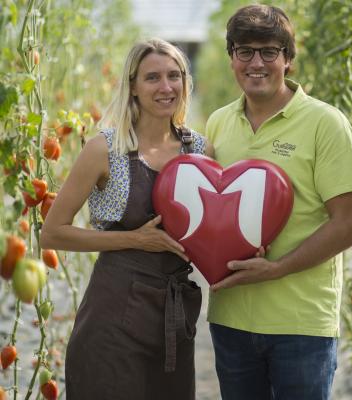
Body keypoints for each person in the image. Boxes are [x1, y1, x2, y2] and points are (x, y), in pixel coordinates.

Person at [205, 5, 352, 400]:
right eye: (244, 51)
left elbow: (349, 224)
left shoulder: (325, 124)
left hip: (301, 325)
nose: (256, 62)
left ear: (288, 60)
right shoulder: (218, 124)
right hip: (231, 320)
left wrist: (276, 269)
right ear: (231, 59)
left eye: (269, 52)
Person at [41, 38, 213, 400]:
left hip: (173, 319)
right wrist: (135, 239)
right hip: (112, 319)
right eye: (152, 78)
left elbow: (213, 227)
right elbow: (53, 233)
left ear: (185, 80)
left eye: (174, 76)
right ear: (132, 86)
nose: (166, 87)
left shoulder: (198, 149)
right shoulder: (105, 149)